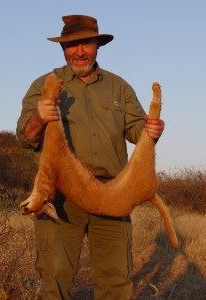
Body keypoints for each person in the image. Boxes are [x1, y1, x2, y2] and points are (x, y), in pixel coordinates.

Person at [16, 15, 165, 300]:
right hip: (60, 195)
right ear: (63, 49)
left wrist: (152, 130)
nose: (79, 51)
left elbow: (137, 131)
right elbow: (25, 136)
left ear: (97, 45)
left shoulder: (119, 86)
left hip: (111, 194)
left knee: (116, 281)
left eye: (86, 43)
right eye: (72, 45)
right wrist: (38, 117)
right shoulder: (44, 84)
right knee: (55, 277)